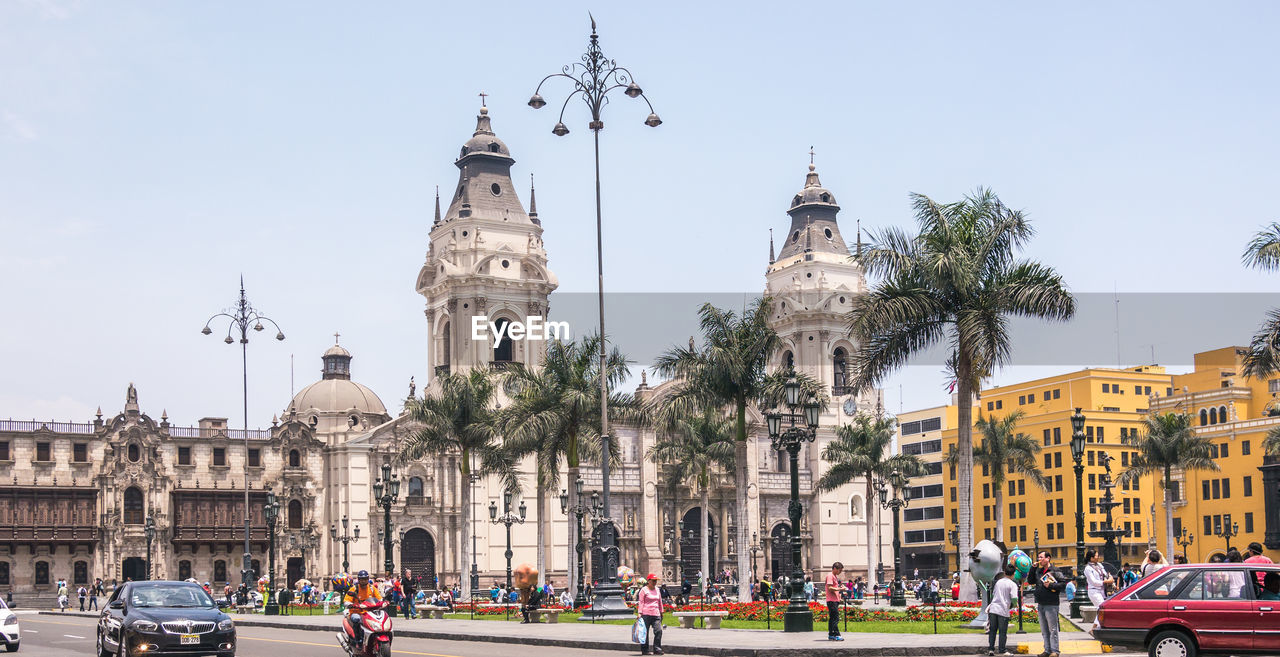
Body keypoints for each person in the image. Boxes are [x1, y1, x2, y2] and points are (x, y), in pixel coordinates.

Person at [1029, 551, 1066, 657]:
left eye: (1041, 557)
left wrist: (1050, 586)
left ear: (1048, 558)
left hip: (1051, 603)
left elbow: (1063, 584)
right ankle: (1047, 650)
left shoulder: (1055, 570)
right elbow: (1031, 580)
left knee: (1052, 629)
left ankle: (1055, 651)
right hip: (1041, 603)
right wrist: (1033, 568)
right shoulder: (1039, 571)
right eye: (1039, 557)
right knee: (1044, 629)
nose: (1039, 559)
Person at [342, 571, 384, 649]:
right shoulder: (354, 589)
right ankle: (359, 641)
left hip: (369, 612)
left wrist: (382, 602)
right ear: (359, 580)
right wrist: (351, 605)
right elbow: (346, 601)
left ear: (368, 579)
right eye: (362, 579)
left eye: (365, 579)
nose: (363, 581)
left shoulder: (372, 588)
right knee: (356, 619)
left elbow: (379, 598)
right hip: (357, 612)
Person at [986, 565, 1018, 656]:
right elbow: (1014, 599)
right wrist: (1014, 605)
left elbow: (992, 595)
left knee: (992, 630)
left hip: (993, 608)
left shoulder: (998, 582)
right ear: (1014, 574)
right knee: (1002, 631)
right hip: (1003, 610)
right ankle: (1002, 650)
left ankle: (991, 649)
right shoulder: (1012, 584)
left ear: (1004, 572)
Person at [636, 573, 664, 655]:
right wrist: (639, 613)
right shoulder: (644, 590)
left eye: (656, 581)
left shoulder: (657, 589)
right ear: (648, 581)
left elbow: (660, 601)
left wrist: (661, 611)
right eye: (653, 581)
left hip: (656, 613)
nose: (655, 582)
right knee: (645, 633)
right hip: (646, 613)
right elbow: (641, 602)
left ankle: (657, 648)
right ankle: (645, 650)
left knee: (658, 630)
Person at [825, 562, 844, 642]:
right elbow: (830, 588)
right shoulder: (830, 576)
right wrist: (840, 589)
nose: (840, 572)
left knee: (832, 618)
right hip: (831, 600)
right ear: (835, 568)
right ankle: (836, 634)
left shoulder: (834, 576)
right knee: (835, 618)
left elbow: (834, 587)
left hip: (834, 600)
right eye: (840, 570)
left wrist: (839, 588)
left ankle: (831, 634)